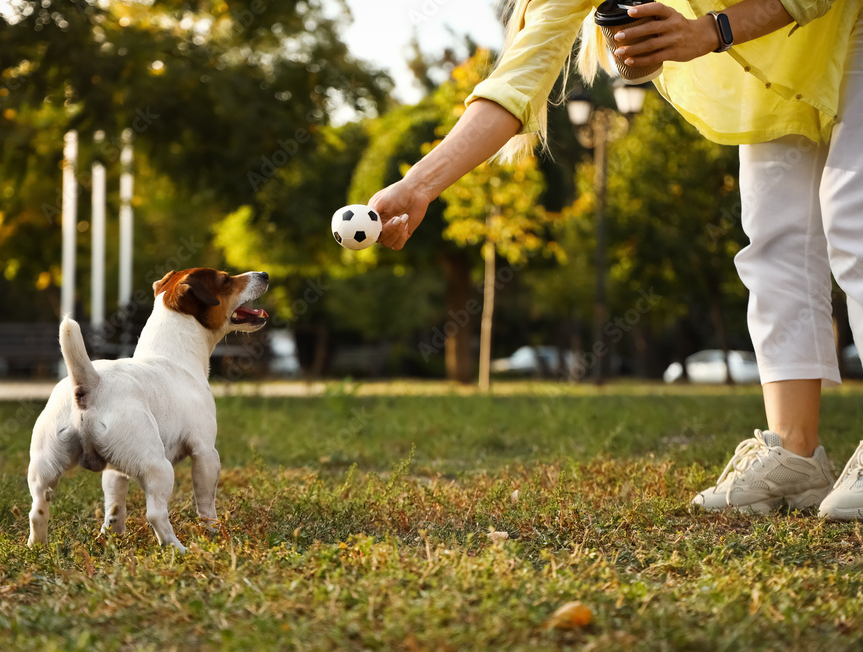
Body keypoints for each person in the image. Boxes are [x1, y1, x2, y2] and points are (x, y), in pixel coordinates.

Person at [368, 0, 863, 519]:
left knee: (853, 214)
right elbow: (517, 81)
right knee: (773, 236)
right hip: (775, 52)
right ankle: (794, 453)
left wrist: (712, 30)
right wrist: (418, 186)